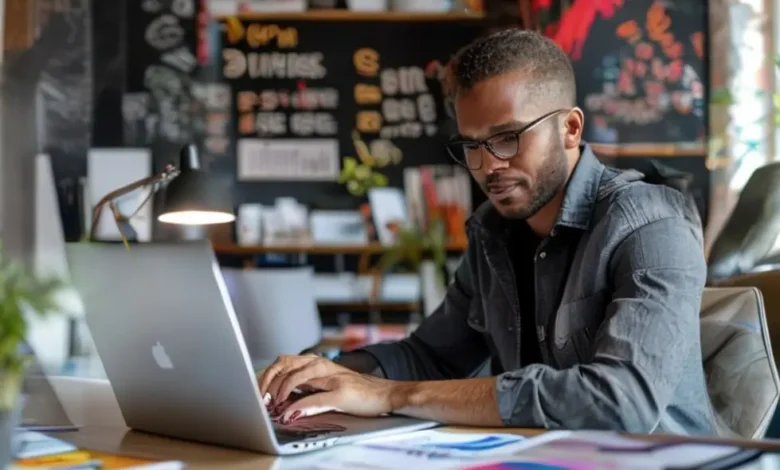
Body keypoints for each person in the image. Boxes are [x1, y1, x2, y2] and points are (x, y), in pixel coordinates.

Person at [258, 29, 716, 435]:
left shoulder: (651, 224)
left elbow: (619, 402)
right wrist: (327, 374)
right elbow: (432, 356)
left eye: (508, 137)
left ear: (570, 128)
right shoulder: (492, 232)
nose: (488, 165)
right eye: (471, 145)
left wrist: (392, 395)